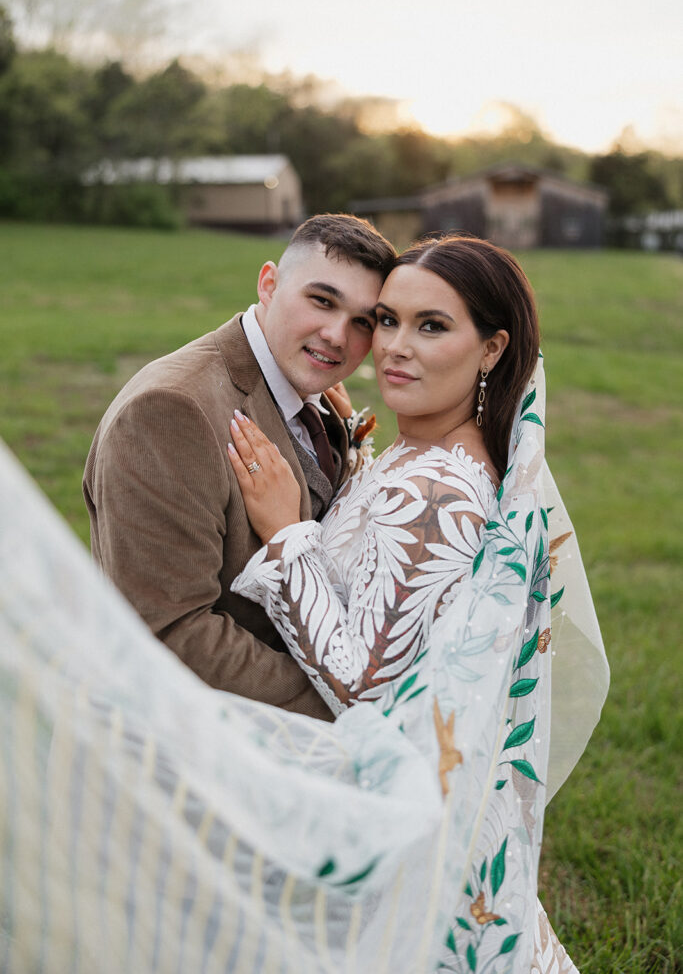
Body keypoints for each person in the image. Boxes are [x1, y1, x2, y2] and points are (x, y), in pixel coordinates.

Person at [227, 236, 608, 971]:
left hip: (391, 817)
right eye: (387, 321)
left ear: (492, 349)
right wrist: (355, 451)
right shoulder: (436, 458)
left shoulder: (433, 492)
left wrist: (287, 536)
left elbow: (362, 686)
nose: (394, 349)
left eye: (431, 326)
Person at [83, 213, 395, 721]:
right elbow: (172, 631)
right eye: (322, 300)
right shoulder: (170, 411)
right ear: (268, 283)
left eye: (363, 321)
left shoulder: (305, 390)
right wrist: (348, 702)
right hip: (194, 751)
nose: (338, 335)